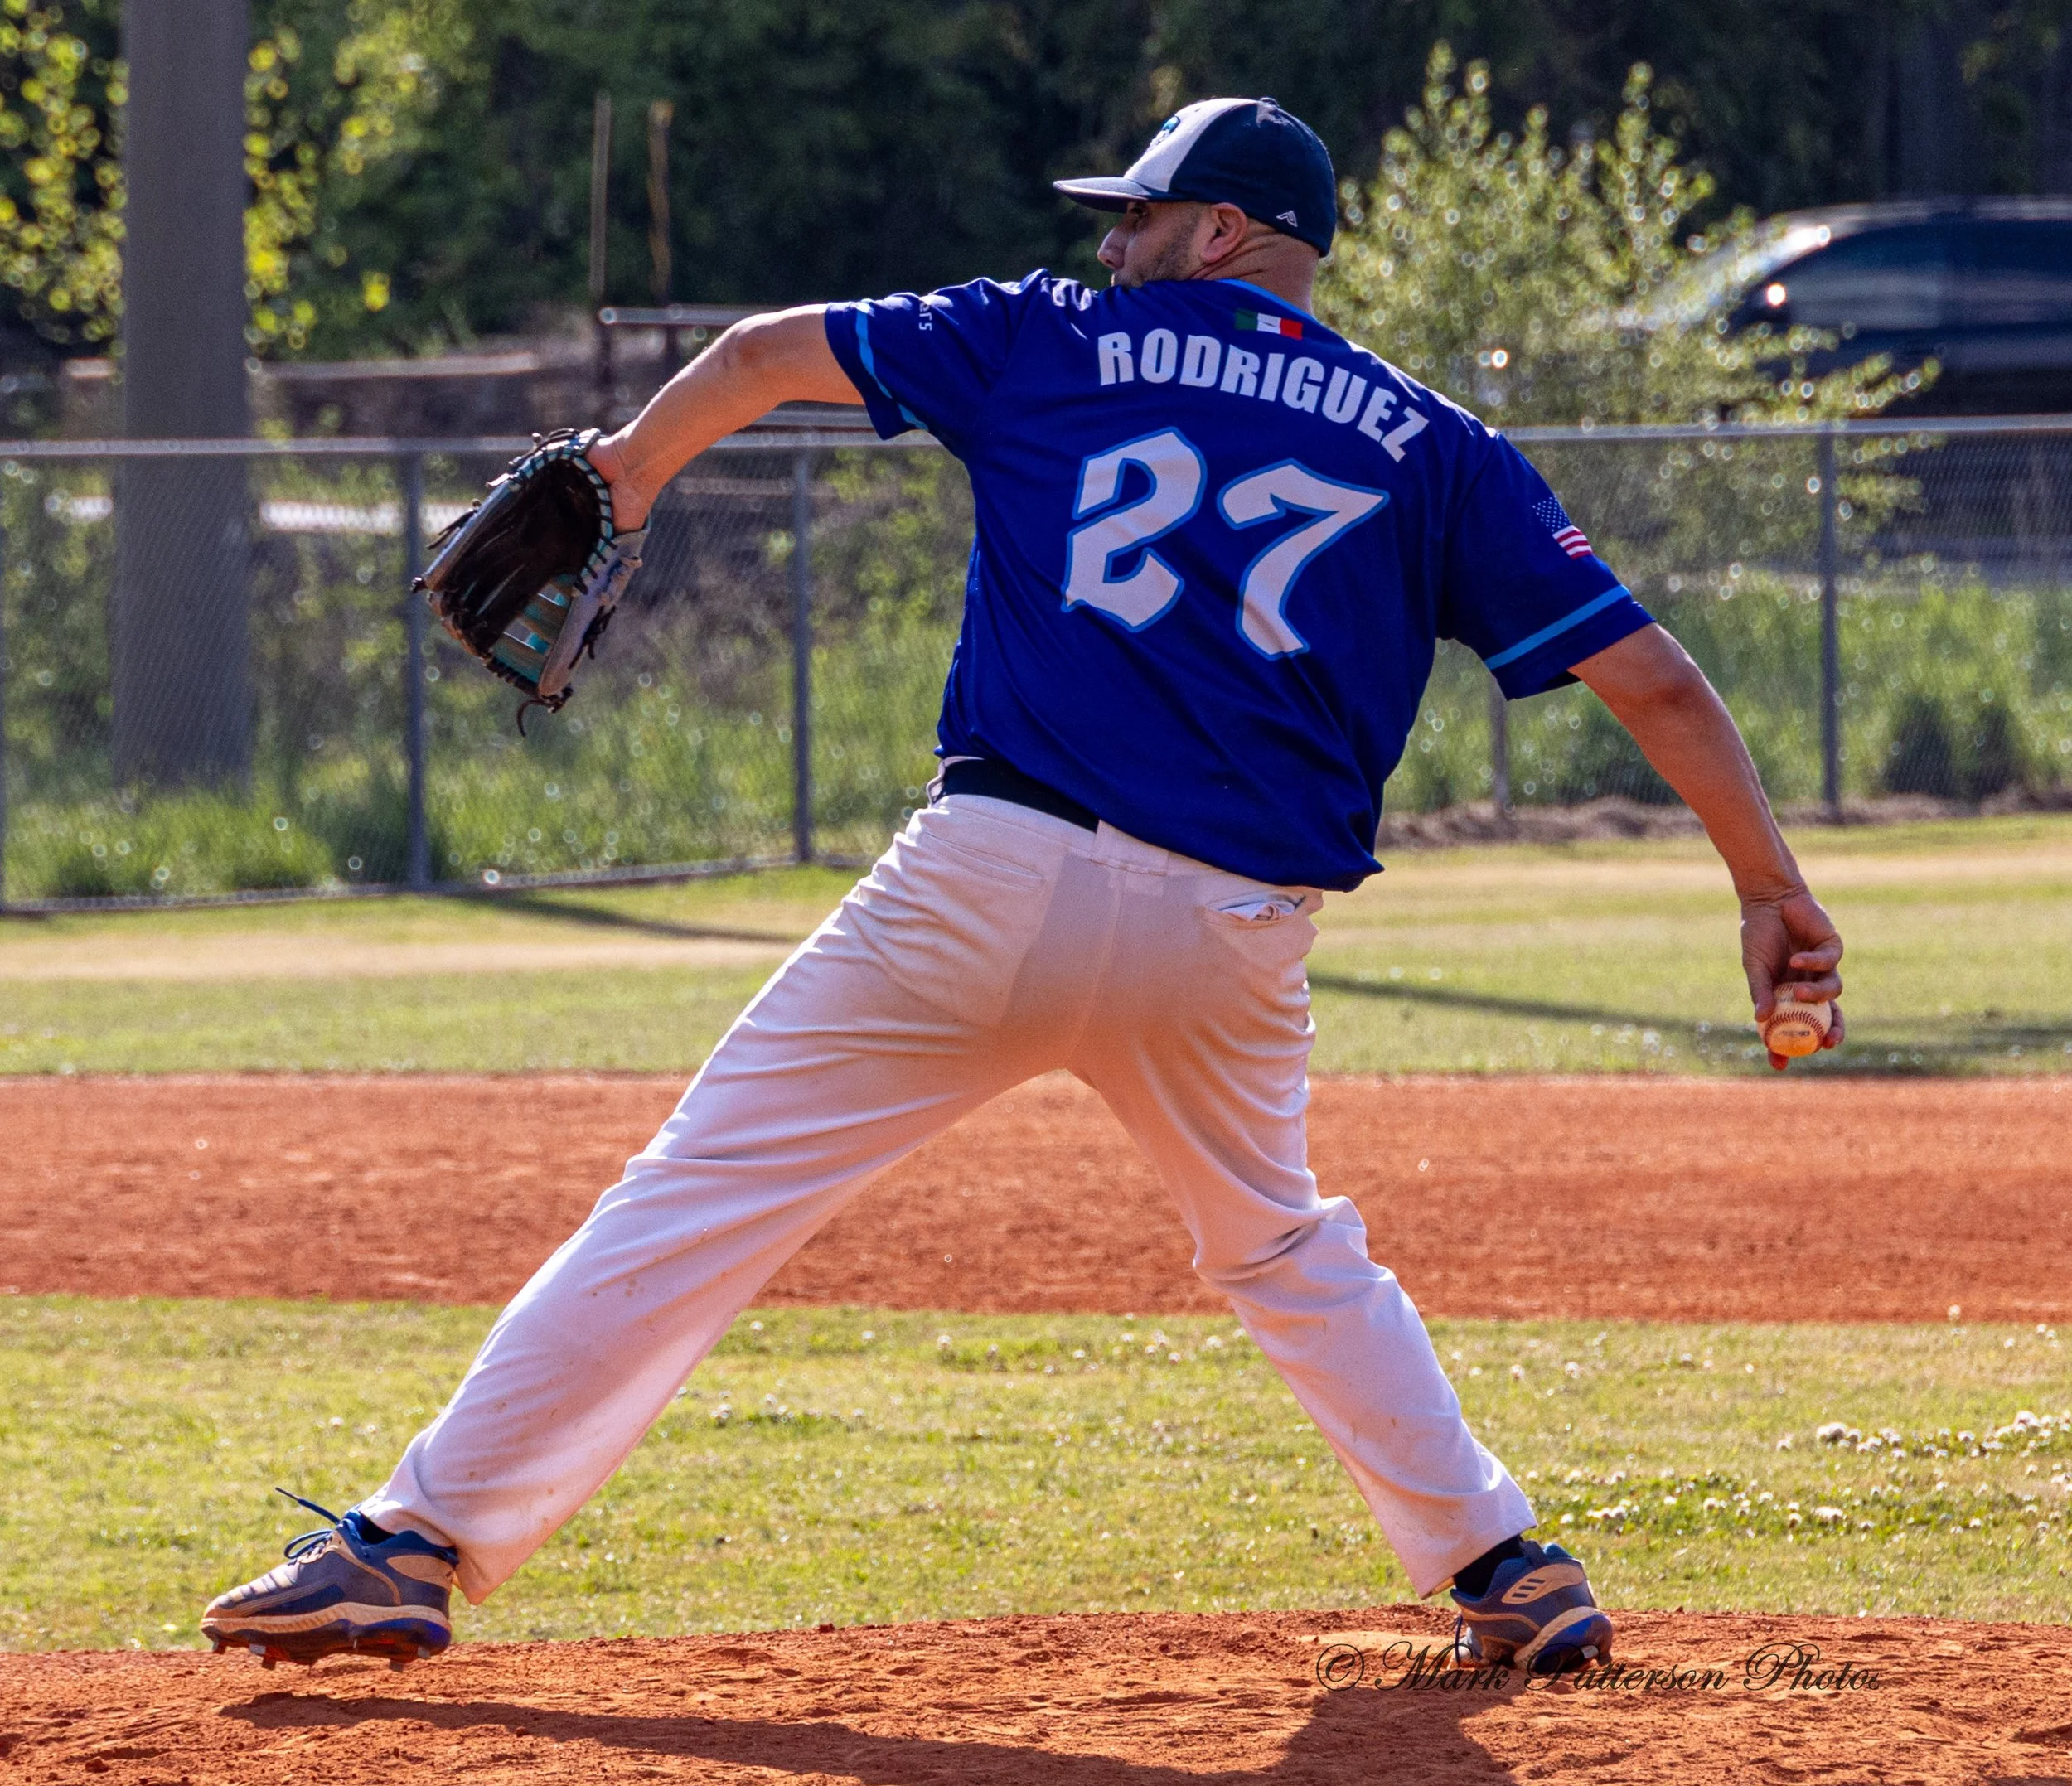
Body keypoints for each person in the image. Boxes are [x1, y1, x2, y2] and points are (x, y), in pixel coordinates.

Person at [202, 96, 1844, 1677]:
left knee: (700, 1192)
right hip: (1234, 932)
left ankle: (407, 1547)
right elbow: (1652, 682)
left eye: (1138, 212)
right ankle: (1502, 1564)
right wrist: (1763, 884)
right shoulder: (1437, 443)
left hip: (987, 883)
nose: (1114, 238)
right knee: (1278, 1244)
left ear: (1220, 229)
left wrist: (628, 470)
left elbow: (767, 356)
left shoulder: (1044, 333)